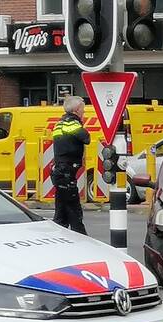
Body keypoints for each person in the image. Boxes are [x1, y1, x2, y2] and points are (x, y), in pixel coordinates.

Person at [51, 95, 91, 235]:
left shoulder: (59, 123)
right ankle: (82, 242)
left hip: (60, 173)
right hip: (67, 173)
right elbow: (86, 138)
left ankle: (58, 239)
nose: (83, 113)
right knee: (74, 212)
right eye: (83, 110)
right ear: (77, 110)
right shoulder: (71, 124)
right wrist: (82, 123)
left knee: (61, 214)